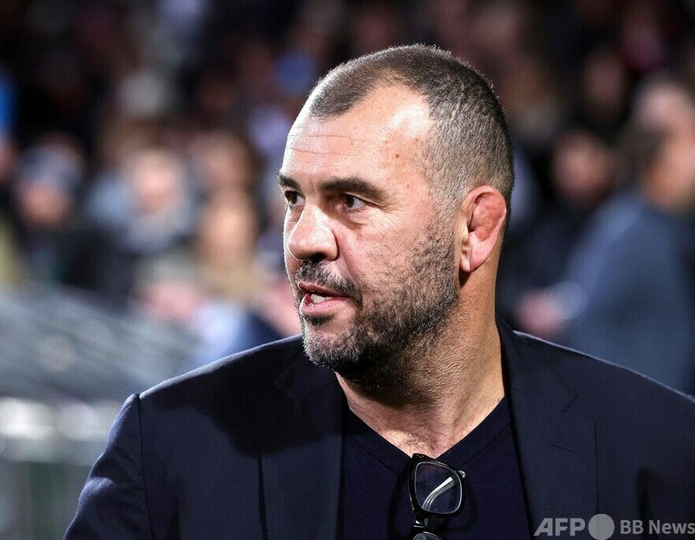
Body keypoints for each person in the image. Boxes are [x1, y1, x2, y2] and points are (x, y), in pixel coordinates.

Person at [66, 45, 695, 539]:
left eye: (351, 201)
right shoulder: (172, 447)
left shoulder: (661, 450)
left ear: (475, 229)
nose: (303, 239)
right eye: (293, 199)